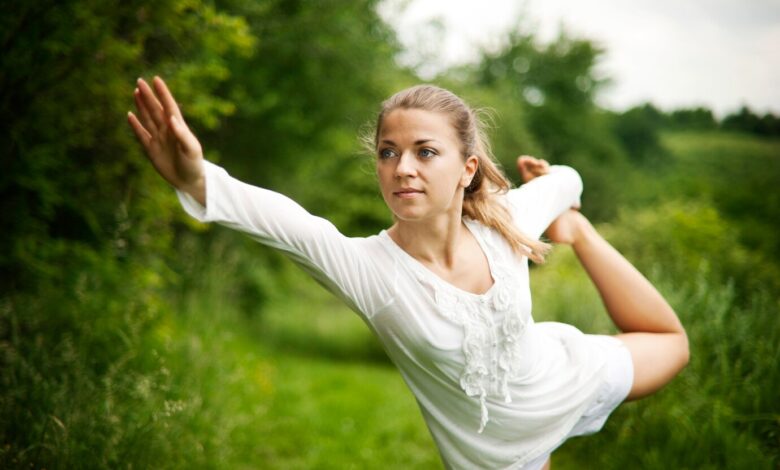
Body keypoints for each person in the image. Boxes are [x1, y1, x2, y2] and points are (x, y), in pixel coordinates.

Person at [127, 77, 689, 469]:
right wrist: (196, 178)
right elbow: (282, 221)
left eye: (425, 152)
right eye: (388, 153)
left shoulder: (507, 219)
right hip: (497, 459)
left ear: (468, 169)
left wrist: (563, 198)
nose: (403, 169)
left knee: (675, 344)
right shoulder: (368, 270)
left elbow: (567, 180)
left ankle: (580, 235)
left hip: (564, 376)